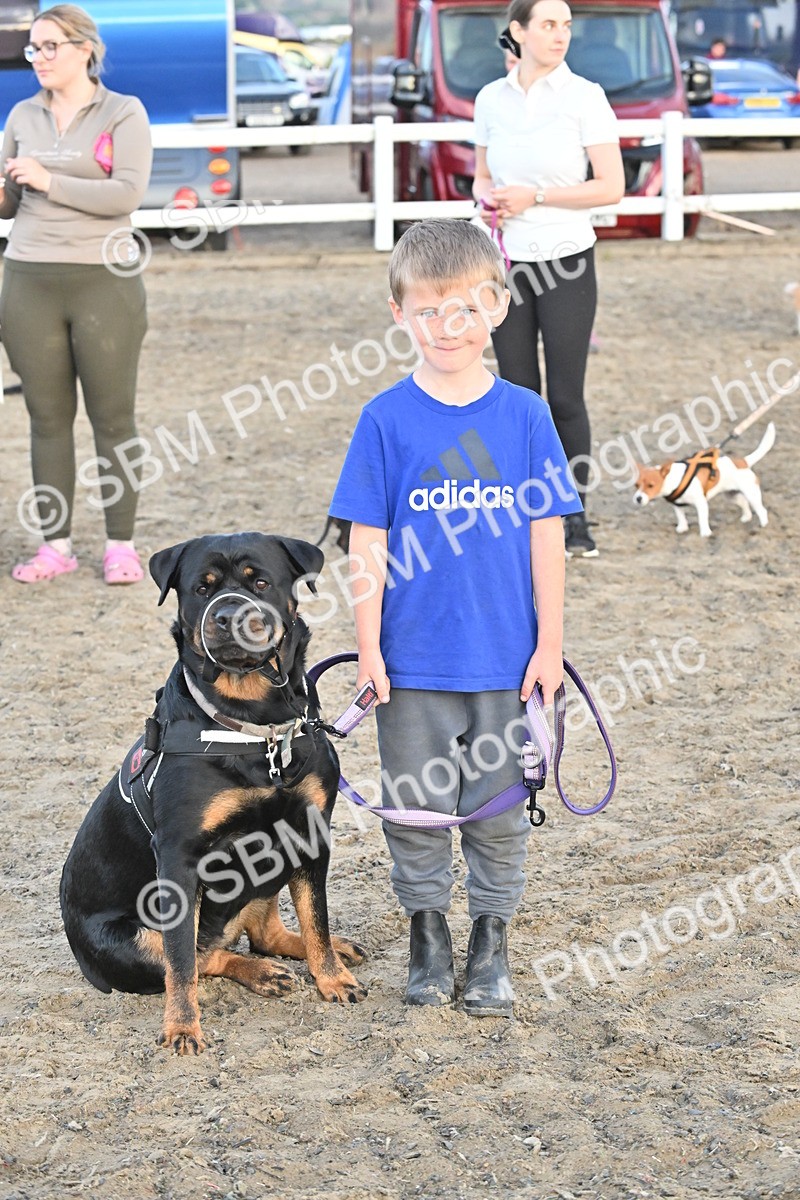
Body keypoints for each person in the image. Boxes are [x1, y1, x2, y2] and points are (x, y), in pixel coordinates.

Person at [330, 218, 582, 1017]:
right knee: (415, 809)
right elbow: (366, 545)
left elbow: (549, 539)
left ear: (499, 309)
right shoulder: (383, 420)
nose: (449, 328)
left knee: (500, 813)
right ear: (399, 314)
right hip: (410, 663)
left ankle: (492, 944)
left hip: (507, 661)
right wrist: (368, 649)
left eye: (467, 309)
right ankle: (428, 938)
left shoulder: (527, 417)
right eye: (430, 311)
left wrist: (551, 645)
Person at [0, 4, 152, 584]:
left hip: (103, 282)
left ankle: (121, 545)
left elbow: (125, 195)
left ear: (84, 49)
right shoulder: (21, 115)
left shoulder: (122, 112)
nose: (37, 58)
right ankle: (54, 546)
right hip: (28, 279)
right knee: (46, 418)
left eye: (49, 47)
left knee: (114, 419)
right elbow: (10, 202)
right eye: (32, 49)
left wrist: (48, 180)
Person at [473, 0, 624, 557]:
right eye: (548, 24)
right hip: (505, 265)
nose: (561, 34)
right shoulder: (491, 98)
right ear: (519, 31)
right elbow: (483, 173)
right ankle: (526, 508)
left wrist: (534, 196)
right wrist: (486, 198)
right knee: (518, 394)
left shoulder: (586, 97)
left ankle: (574, 516)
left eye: (565, 25)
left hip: (567, 260)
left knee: (565, 396)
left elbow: (610, 187)